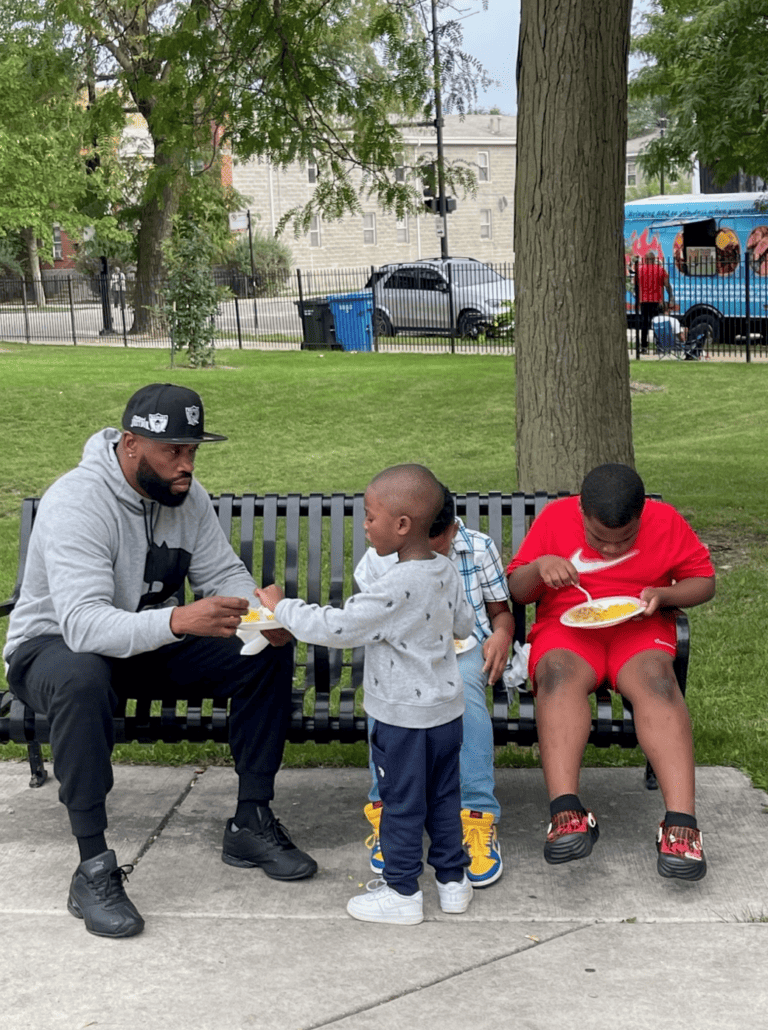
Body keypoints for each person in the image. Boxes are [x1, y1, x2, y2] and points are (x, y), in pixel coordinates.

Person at [3, 383, 317, 939]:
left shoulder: (186, 498)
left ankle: (251, 819)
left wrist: (262, 616)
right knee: (81, 678)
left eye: (193, 450)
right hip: (54, 647)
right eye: (174, 450)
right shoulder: (78, 502)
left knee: (264, 652)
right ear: (130, 444)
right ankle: (93, 865)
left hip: (142, 642)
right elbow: (83, 626)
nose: (187, 465)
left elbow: (222, 575)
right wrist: (179, 620)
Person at [256, 464, 475, 925]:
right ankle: (453, 882)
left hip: (402, 720)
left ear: (402, 525)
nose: (365, 525)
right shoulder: (446, 570)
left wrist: (281, 606)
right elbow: (463, 626)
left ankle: (401, 891)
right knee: (443, 797)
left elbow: (337, 627)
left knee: (400, 802)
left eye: (371, 516)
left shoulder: (394, 585)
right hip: (446, 713)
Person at [506, 464, 715, 881]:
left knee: (658, 683)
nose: (613, 550)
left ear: (643, 514)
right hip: (567, 627)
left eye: (626, 540)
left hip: (639, 626)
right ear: (581, 510)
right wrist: (541, 566)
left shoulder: (666, 520)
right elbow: (518, 589)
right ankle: (567, 812)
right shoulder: (555, 519)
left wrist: (665, 593)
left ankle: (681, 826)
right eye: (600, 539)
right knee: (558, 679)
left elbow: (704, 581)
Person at [354, 485, 512, 888]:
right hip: (405, 654)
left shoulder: (477, 548)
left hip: (465, 647)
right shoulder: (383, 556)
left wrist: (501, 635)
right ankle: (385, 811)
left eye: (438, 543)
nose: (430, 552)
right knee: (386, 701)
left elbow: (499, 612)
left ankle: (475, 816)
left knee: (467, 694)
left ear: (451, 529)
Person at [636, 252, 674, 352]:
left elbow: (635, 284)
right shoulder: (661, 270)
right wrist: (671, 298)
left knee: (644, 324)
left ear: (646, 259)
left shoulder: (639, 270)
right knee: (657, 324)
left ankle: (644, 346)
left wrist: (638, 298)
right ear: (654, 259)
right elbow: (667, 285)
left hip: (644, 301)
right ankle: (659, 346)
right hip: (657, 301)